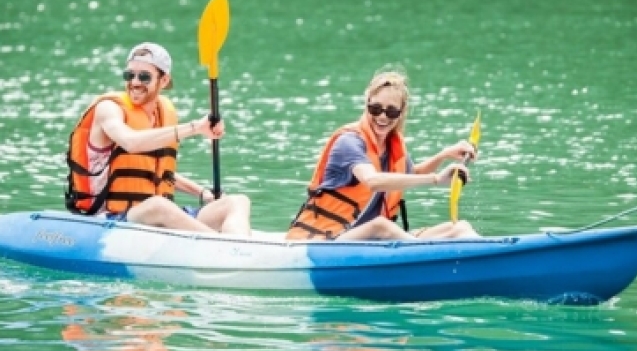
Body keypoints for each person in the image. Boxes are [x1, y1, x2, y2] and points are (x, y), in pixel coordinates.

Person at [65, 42, 250, 235]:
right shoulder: (109, 109)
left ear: (163, 80)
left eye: (144, 77)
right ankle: (223, 248)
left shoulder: (162, 113)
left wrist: (203, 193)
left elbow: (158, 172)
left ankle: (243, 251)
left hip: (156, 215)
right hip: (111, 218)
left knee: (238, 202)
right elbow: (131, 142)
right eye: (129, 75)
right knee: (158, 206)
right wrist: (196, 128)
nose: (135, 82)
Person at [286, 65, 480, 241]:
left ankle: (483, 258)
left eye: (391, 112)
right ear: (367, 103)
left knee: (459, 228)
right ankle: (424, 255)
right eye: (376, 108)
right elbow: (374, 181)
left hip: (366, 240)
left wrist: (444, 155)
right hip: (322, 240)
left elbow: (410, 176)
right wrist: (436, 179)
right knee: (381, 225)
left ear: (402, 112)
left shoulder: (392, 145)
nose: (382, 117)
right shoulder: (349, 142)